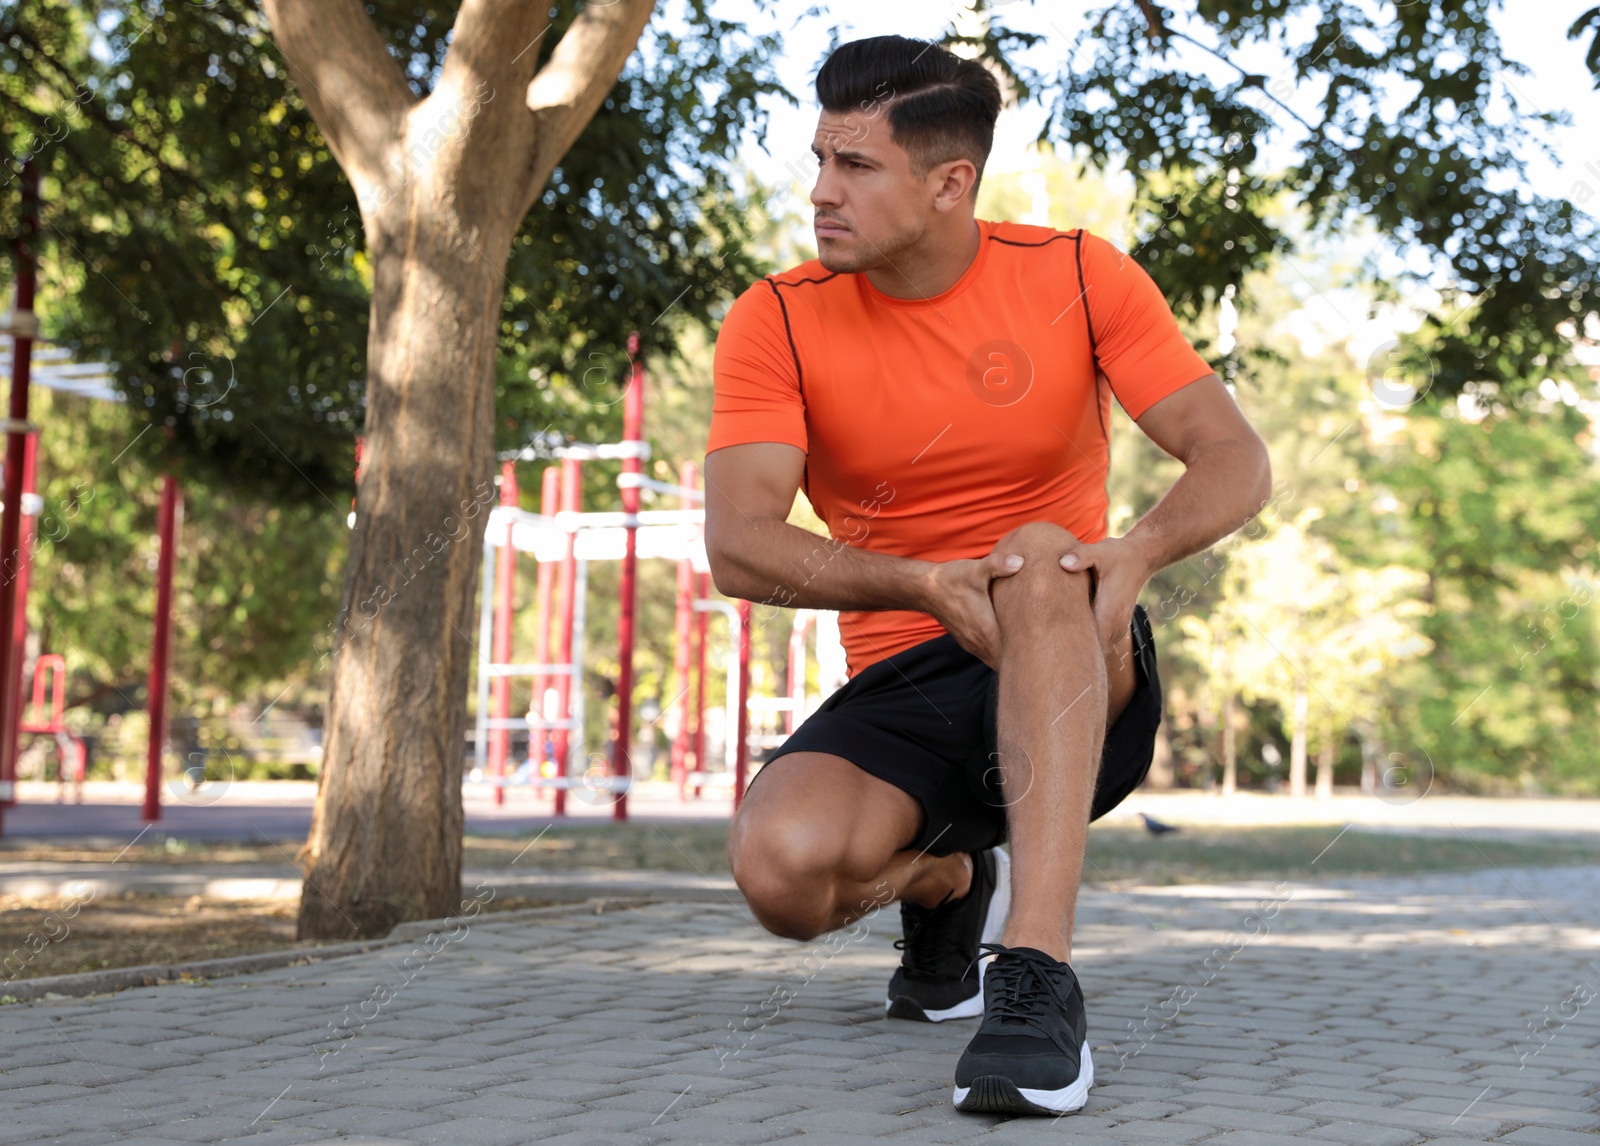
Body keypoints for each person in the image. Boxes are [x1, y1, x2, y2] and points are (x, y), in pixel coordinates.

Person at [703, 34, 1271, 1116]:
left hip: (1069, 654)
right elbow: (739, 544)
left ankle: (1036, 978)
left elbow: (1235, 455)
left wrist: (1137, 550)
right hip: (907, 676)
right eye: (819, 160)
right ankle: (947, 880)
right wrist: (924, 586)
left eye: (854, 167)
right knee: (783, 874)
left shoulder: (1072, 274)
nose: (819, 193)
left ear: (949, 182)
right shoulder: (775, 314)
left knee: (1043, 554)